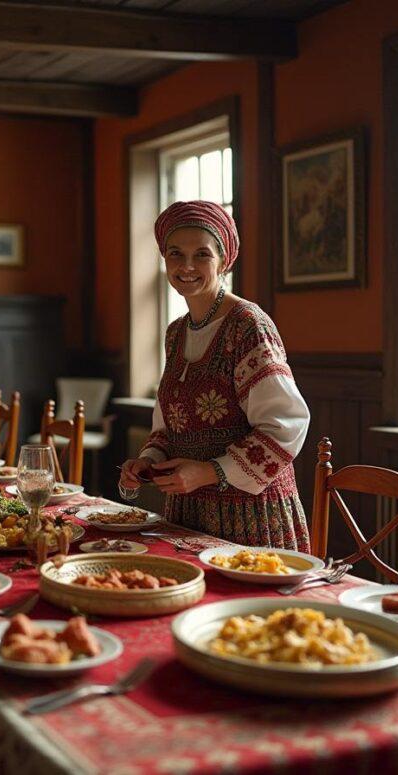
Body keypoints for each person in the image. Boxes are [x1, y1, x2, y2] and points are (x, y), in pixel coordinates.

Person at [118, 201, 311, 551]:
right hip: (187, 512)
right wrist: (149, 462)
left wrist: (209, 472)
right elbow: (168, 426)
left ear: (223, 261)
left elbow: (286, 426)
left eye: (202, 255)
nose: (186, 266)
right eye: (175, 253)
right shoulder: (175, 333)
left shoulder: (249, 326)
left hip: (251, 516)